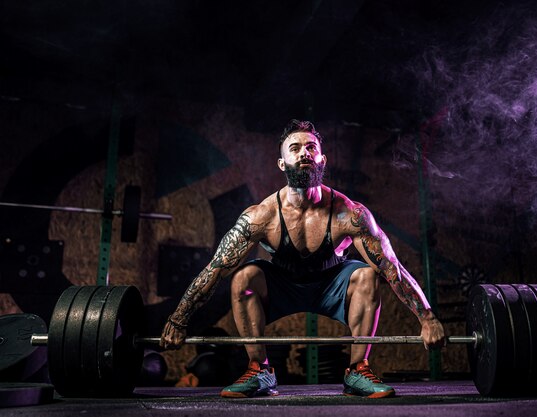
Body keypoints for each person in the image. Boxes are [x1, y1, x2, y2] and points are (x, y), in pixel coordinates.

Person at [160, 119, 446, 398]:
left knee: (367, 275)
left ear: (322, 160)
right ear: (282, 164)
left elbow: (392, 268)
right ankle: (259, 369)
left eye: (311, 147)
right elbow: (215, 269)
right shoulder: (261, 217)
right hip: (282, 288)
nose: (304, 153)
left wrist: (428, 318)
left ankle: (358, 369)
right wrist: (178, 319)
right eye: (295, 148)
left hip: (332, 288)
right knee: (243, 277)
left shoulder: (351, 214)